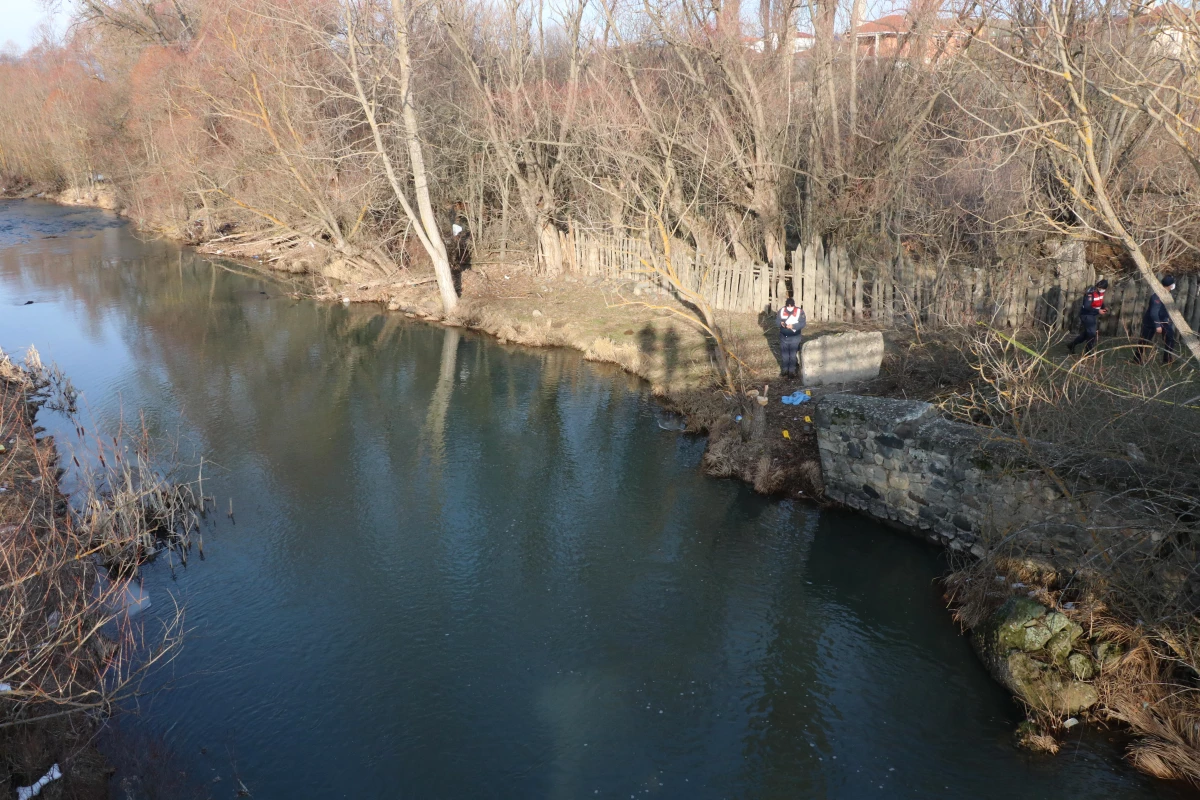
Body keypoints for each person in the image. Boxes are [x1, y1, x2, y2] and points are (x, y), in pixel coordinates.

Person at [1135, 276, 1178, 365]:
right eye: (1172, 284)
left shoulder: (1167, 294)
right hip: (1151, 322)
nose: (1174, 285)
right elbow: (1154, 312)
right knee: (1144, 340)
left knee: (1170, 338)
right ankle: (1137, 360)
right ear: (1170, 285)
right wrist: (1157, 325)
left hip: (1164, 321)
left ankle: (1167, 360)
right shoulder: (1157, 297)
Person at [1067, 279, 1108, 355]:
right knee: (1092, 334)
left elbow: (1100, 301)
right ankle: (1088, 353)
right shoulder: (1091, 294)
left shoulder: (1101, 294)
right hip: (1086, 315)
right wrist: (1098, 311)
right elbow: (1086, 307)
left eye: (1103, 289)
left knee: (1087, 334)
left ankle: (1072, 345)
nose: (1101, 290)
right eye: (1100, 288)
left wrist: (1104, 307)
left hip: (1092, 315)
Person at [778, 297, 806, 378]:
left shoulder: (800, 312)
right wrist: (781, 323)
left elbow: (803, 323)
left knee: (793, 355)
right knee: (785, 355)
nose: (789, 308)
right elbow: (777, 321)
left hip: (795, 337)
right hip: (784, 337)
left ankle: (791, 371)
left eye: (791, 306)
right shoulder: (781, 311)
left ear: (794, 306)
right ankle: (784, 370)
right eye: (788, 306)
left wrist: (793, 326)